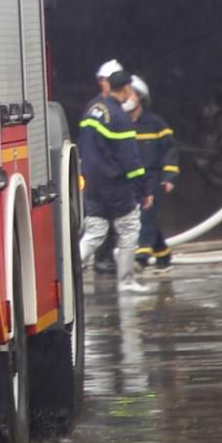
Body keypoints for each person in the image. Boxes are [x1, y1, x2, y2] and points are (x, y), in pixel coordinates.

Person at [78, 66, 151, 289]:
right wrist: (143, 190)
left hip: (91, 183)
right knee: (129, 229)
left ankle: (64, 274)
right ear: (127, 88)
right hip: (116, 186)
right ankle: (126, 281)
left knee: (95, 233)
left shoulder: (92, 109)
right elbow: (131, 161)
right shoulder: (120, 118)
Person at [126, 75, 177, 273]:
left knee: (146, 216)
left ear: (139, 97)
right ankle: (163, 254)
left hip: (152, 178)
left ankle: (142, 257)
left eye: (130, 94)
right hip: (131, 179)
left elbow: (170, 149)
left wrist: (169, 176)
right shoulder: (122, 123)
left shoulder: (155, 123)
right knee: (144, 217)